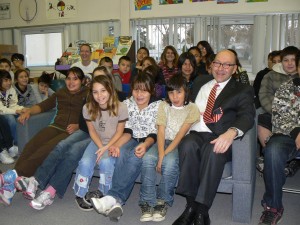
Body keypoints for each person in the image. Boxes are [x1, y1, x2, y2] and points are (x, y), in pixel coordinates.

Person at [172, 49, 255, 225]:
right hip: (196, 133)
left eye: (227, 64)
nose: (221, 68)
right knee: (187, 145)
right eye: (217, 63)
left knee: (213, 150)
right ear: (211, 65)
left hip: (220, 135)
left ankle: (202, 210)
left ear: (234, 69)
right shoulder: (201, 81)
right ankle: (190, 205)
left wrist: (231, 132)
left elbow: (247, 115)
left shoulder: (242, 89)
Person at [16, 67, 114, 211]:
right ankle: (16, 175)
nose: (71, 81)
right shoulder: (64, 93)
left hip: (76, 132)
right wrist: (29, 111)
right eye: (68, 78)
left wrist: (78, 125)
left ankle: (22, 180)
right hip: (60, 127)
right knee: (32, 144)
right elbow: (44, 105)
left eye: (75, 78)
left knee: (53, 149)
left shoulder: (90, 94)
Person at [90, 74, 161, 221]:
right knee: (120, 153)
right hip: (130, 138)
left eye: (144, 91)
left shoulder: (159, 105)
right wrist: (116, 145)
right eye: (136, 90)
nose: (139, 94)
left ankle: (113, 197)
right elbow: (127, 131)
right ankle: (116, 203)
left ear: (151, 91)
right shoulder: (127, 104)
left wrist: (145, 145)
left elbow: (155, 133)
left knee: (136, 157)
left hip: (149, 141)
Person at [139, 74, 200, 222]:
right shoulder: (163, 105)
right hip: (162, 141)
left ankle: (162, 200)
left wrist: (164, 155)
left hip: (178, 143)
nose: (175, 96)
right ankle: (147, 201)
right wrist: (160, 154)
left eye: (179, 92)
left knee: (171, 163)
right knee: (147, 158)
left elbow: (180, 134)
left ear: (186, 91)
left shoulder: (192, 108)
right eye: (171, 92)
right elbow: (160, 131)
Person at [73, 75, 128, 211]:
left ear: (110, 90)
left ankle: (104, 192)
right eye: (95, 92)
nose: (99, 95)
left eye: (103, 90)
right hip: (97, 141)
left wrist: (107, 147)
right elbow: (92, 131)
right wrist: (100, 147)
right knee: (85, 162)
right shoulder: (87, 108)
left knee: (106, 162)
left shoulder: (121, 107)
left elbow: (120, 131)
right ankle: (80, 193)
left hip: (113, 142)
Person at [258, 52, 300, 225]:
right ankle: (273, 207)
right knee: (273, 150)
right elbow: (280, 115)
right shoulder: (287, 88)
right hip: (288, 134)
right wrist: (297, 131)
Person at [258, 46, 299, 148]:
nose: (289, 63)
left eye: (293, 60)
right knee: (262, 119)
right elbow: (264, 95)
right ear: (281, 62)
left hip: (296, 116)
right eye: (286, 60)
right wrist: (278, 112)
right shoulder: (271, 75)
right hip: (272, 112)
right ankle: (268, 154)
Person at [0, 69, 24, 148]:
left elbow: (13, 104)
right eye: (6, 80)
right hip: (2, 113)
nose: (9, 83)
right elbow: (1, 109)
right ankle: (15, 144)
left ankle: (23, 140)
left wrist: (22, 109)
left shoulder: (12, 90)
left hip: (9, 111)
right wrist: (15, 111)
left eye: (10, 80)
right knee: (11, 119)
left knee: (23, 115)